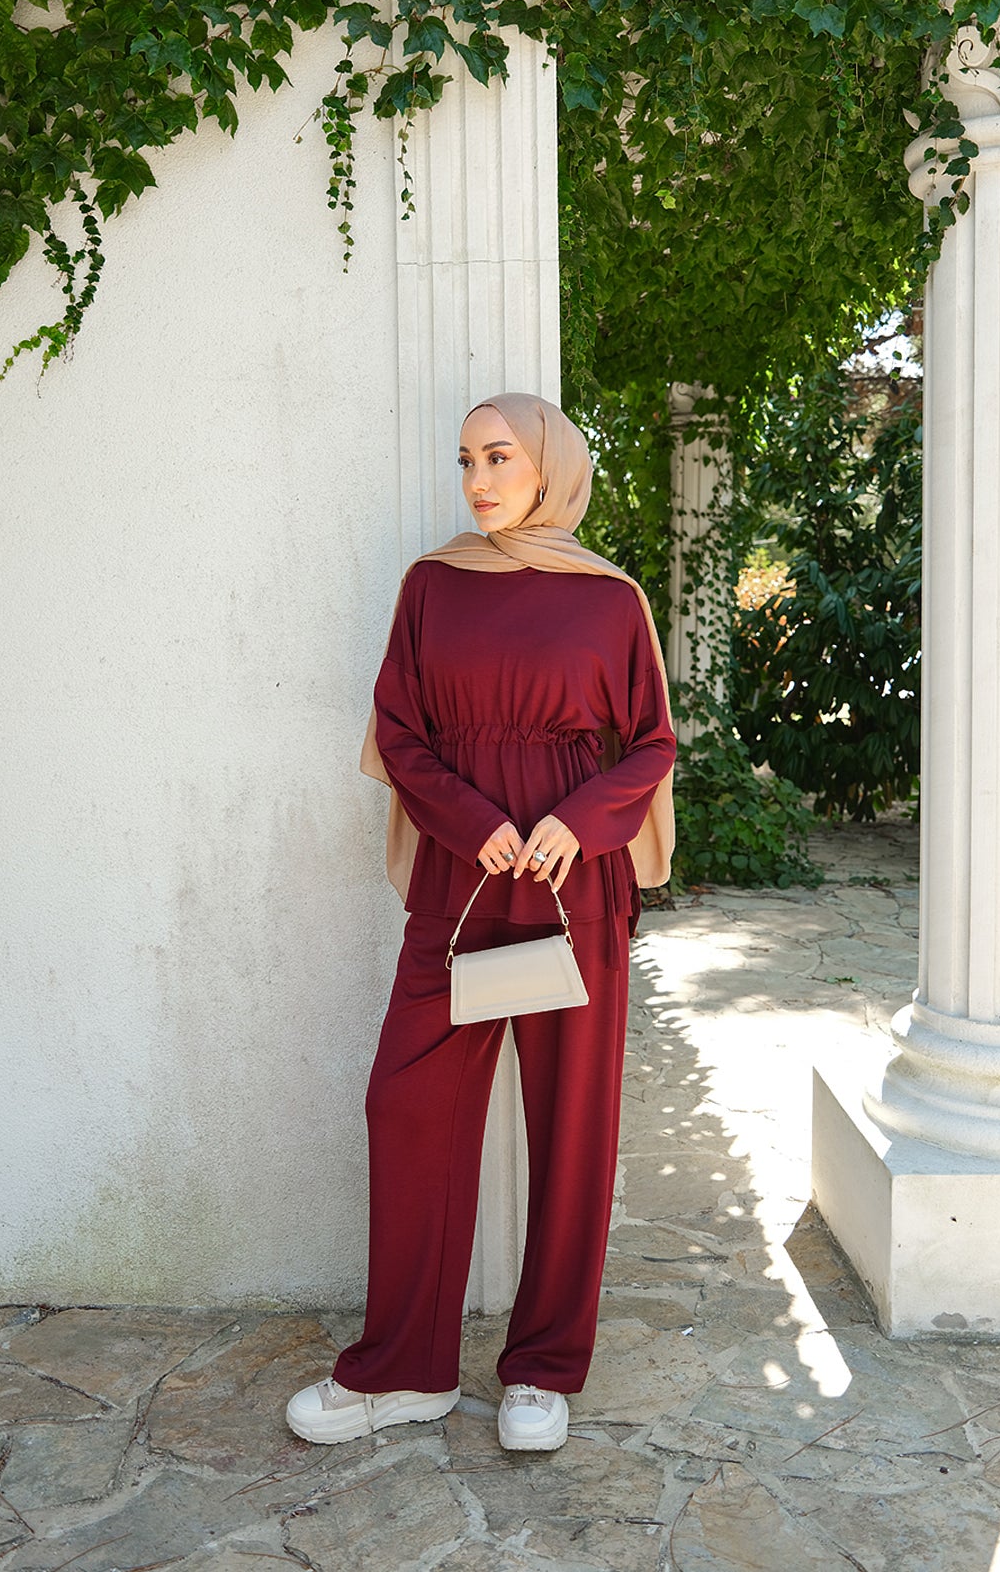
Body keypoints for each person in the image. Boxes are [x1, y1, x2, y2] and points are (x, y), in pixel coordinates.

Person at [286, 392, 676, 1452]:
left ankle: (543, 1371)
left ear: (548, 466)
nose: (478, 481)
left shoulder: (610, 601)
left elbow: (651, 743)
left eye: (499, 458)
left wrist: (576, 822)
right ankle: (405, 1371)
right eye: (466, 460)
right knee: (409, 1105)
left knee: (572, 1129)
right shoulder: (432, 585)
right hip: (461, 884)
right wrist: (470, 821)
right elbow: (400, 733)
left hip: (573, 886)